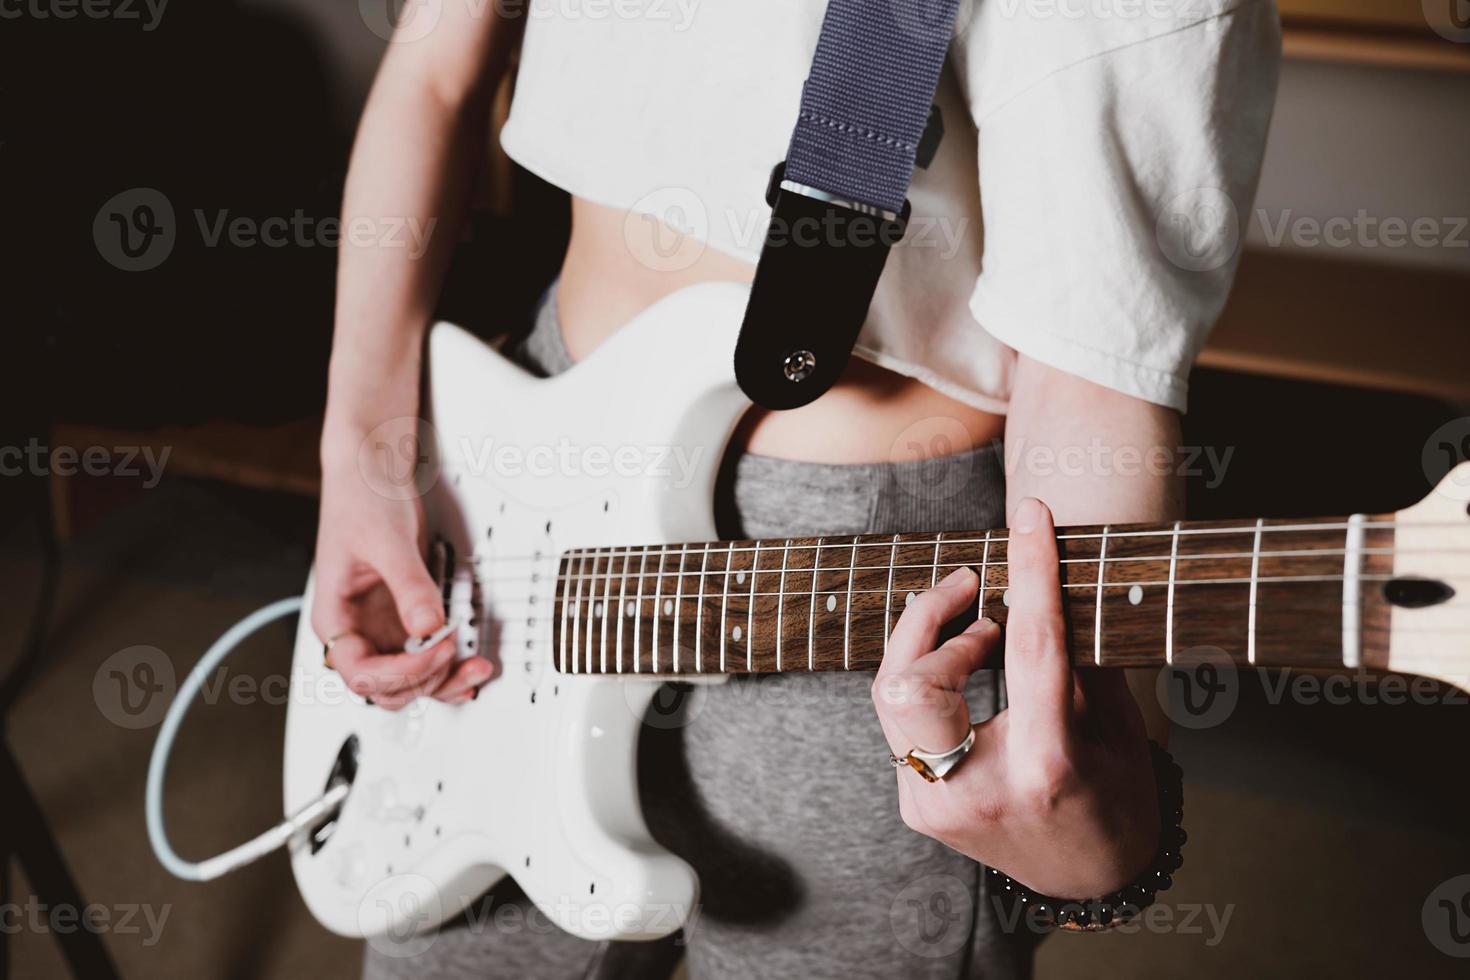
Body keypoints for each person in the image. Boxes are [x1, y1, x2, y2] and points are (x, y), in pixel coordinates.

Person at [310, 1, 1280, 976]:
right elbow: (435, 66)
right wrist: (359, 452)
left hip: (855, 584)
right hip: (525, 470)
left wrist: (1098, 772)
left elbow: (1090, 370)